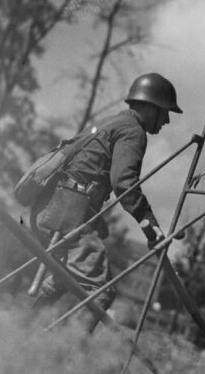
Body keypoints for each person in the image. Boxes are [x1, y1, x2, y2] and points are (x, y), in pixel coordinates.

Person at [32, 73, 182, 330]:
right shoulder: (133, 131)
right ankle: (60, 356)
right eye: (165, 112)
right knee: (100, 291)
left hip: (50, 208)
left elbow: (82, 169)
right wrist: (150, 225)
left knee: (63, 277)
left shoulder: (111, 123)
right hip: (67, 212)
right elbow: (124, 182)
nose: (167, 120)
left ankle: (22, 330)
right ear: (149, 106)